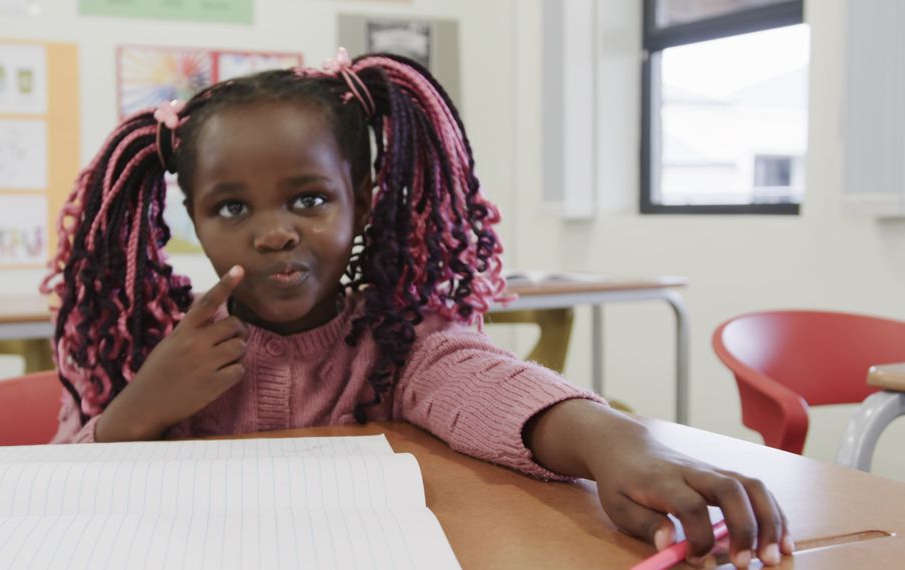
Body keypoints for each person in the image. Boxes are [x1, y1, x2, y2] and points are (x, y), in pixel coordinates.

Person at [42, 48, 791, 567]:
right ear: (193, 222)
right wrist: (137, 412)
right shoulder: (148, 350)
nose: (274, 233)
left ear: (363, 201)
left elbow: (485, 382)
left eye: (310, 199)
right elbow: (49, 500)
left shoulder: (395, 340)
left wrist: (613, 442)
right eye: (231, 208)